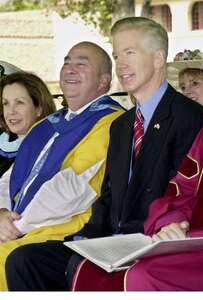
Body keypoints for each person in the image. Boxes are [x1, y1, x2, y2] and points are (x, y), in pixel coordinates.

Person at [46, 12, 203, 291]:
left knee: (143, 275)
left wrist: (197, 232)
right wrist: (174, 223)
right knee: (92, 270)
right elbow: (180, 191)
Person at [5, 17, 203, 291]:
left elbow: (185, 194)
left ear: (159, 58)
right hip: (109, 240)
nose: (121, 65)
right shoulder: (123, 125)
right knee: (25, 260)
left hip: (151, 239)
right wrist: (84, 239)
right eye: (116, 55)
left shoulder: (188, 116)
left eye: (130, 53)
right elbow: (109, 194)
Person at [0, 41, 124, 290]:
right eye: (67, 62)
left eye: (81, 64)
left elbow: (75, 187)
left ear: (103, 81)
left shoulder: (111, 122)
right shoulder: (45, 126)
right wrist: (1, 214)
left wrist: (15, 226)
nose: (70, 68)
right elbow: (9, 180)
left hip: (58, 230)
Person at [0, 72, 56, 177]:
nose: (11, 111)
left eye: (19, 102)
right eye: (5, 103)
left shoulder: (50, 150)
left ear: (39, 108)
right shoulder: (2, 139)